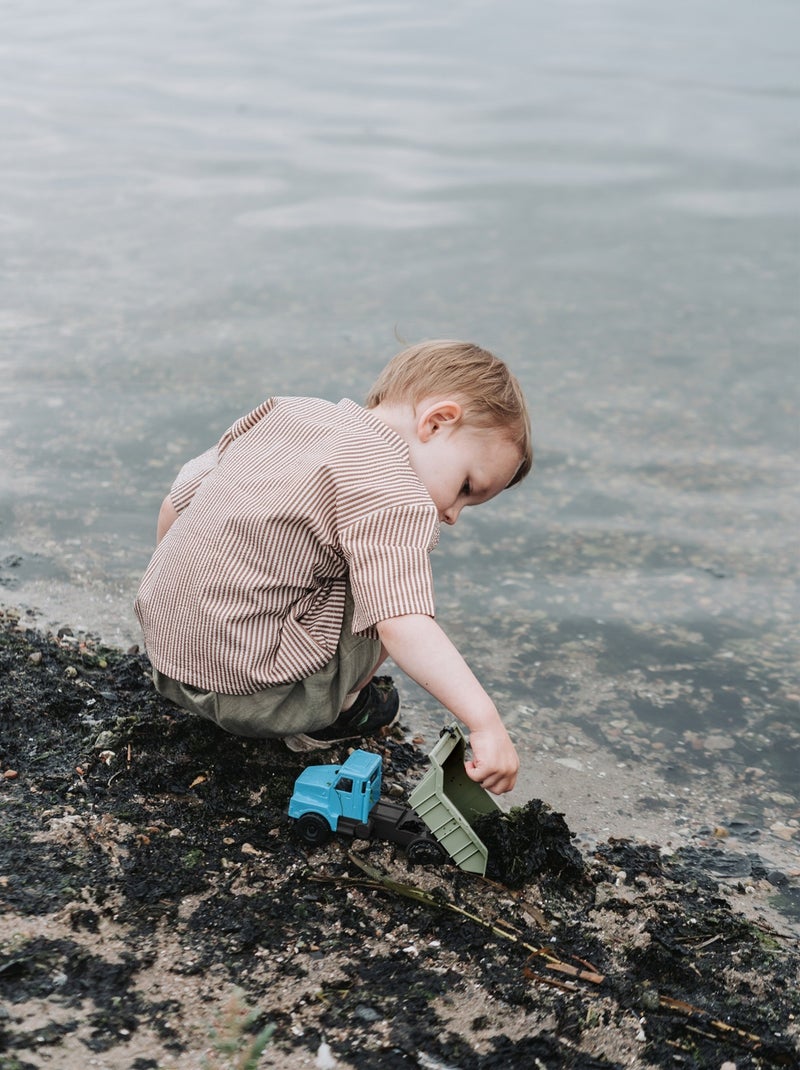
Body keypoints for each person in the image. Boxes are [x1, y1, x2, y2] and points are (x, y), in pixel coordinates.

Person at [135, 340, 532, 794]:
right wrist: (485, 723)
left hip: (165, 659)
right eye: (466, 487)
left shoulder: (287, 412)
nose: (453, 515)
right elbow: (402, 621)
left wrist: (182, 610)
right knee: (396, 589)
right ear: (437, 421)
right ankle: (340, 710)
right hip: (254, 698)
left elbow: (176, 505)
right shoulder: (394, 489)